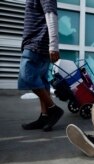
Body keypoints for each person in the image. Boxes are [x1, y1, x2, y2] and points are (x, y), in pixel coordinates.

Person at [18, 0, 64, 131]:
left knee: (26, 76)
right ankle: (45, 116)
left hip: (37, 43)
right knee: (42, 81)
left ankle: (53, 109)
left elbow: (51, 14)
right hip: (35, 42)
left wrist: (54, 46)